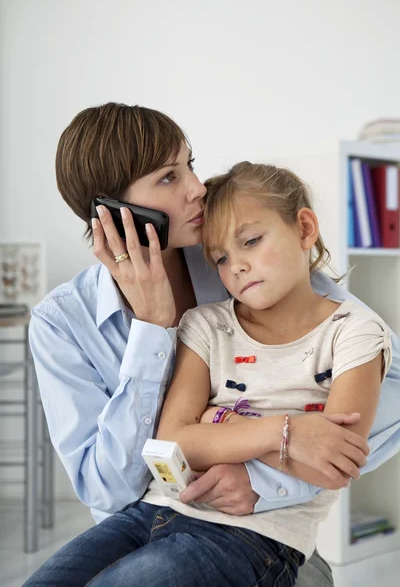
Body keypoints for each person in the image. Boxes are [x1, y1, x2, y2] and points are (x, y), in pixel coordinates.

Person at [25, 103, 400, 586]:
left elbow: (385, 398)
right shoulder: (62, 322)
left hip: (255, 534)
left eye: (190, 165)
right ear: (113, 214)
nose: (197, 189)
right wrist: (153, 327)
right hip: (147, 524)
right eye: (168, 178)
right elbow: (111, 488)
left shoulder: (250, 267)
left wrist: (260, 471)